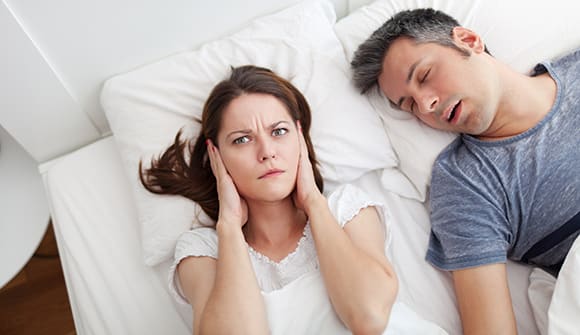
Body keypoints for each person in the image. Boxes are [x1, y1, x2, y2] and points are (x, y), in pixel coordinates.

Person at [351, 8, 580, 335]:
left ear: (469, 41)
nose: (426, 105)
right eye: (410, 105)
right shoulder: (467, 183)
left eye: (425, 75)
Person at [139, 65, 398, 334]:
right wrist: (228, 227)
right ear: (216, 156)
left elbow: (369, 318)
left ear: (300, 137)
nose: (267, 152)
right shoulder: (204, 250)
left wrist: (313, 202)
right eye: (242, 140)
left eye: (279, 132)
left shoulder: (345, 208)